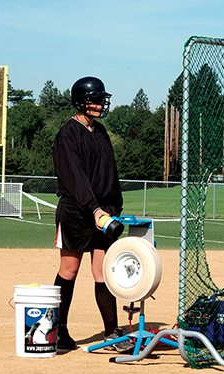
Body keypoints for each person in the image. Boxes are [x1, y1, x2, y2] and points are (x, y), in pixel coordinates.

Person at [53, 76, 132, 353]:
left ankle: (113, 334)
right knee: (69, 270)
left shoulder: (100, 132)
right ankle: (58, 331)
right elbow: (75, 178)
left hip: (104, 213)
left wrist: (113, 209)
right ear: (80, 102)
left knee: (103, 271)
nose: (100, 104)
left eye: (101, 100)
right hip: (77, 211)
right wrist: (94, 208)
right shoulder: (67, 134)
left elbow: (109, 174)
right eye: (95, 100)